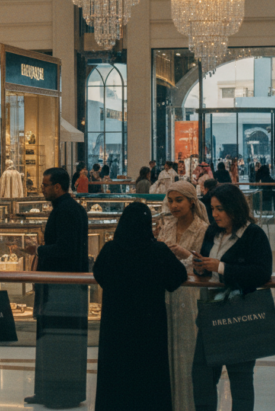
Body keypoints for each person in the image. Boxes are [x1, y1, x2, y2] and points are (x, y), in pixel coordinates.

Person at [95, 202, 187, 411]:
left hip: (115, 327)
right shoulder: (158, 251)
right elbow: (177, 278)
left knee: (116, 378)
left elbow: (99, 274)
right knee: (149, 379)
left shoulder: (110, 250)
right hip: (149, 327)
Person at [191, 184, 273, 411]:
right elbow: (209, 266)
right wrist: (201, 268)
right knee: (202, 376)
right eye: (212, 208)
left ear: (234, 209)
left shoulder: (253, 234)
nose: (214, 214)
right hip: (211, 313)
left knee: (241, 381)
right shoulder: (212, 232)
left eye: (219, 209)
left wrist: (222, 267)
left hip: (241, 316)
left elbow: (261, 273)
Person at [23, 168, 89, 409]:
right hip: (63, 286)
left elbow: (65, 249)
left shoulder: (67, 212)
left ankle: (60, 394)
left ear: (58, 187)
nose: (42, 188)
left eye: (45, 184)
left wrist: (37, 250)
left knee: (59, 339)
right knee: (49, 337)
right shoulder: (68, 209)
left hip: (64, 287)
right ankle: (46, 391)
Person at [157, 180, 210, 410]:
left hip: (191, 298)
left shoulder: (203, 228)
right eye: (170, 201)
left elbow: (204, 263)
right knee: (166, 351)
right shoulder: (166, 226)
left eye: (179, 200)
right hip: (167, 295)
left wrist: (184, 253)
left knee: (188, 353)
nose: (174, 205)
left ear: (191, 201)